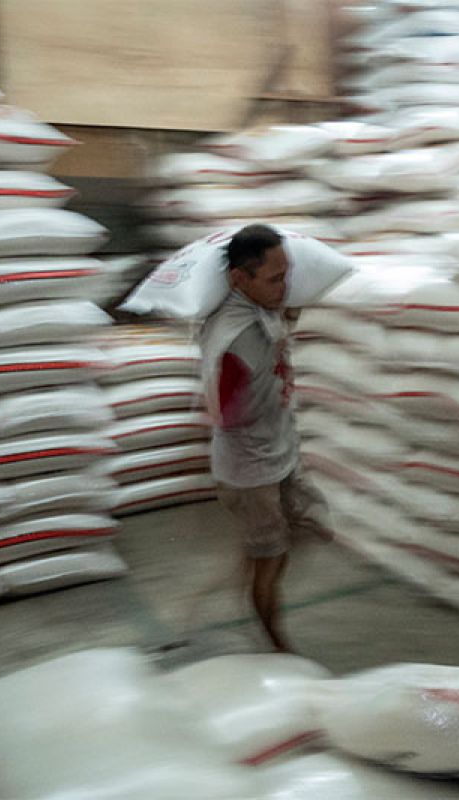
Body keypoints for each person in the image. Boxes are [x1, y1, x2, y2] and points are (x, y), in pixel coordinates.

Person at [197, 223, 326, 653]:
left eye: (285, 274)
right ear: (239, 278)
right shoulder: (232, 339)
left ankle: (250, 569)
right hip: (251, 473)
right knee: (270, 560)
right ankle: (277, 646)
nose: (283, 286)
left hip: (276, 454)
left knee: (280, 548)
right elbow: (222, 414)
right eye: (274, 278)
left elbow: (276, 322)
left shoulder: (258, 308)